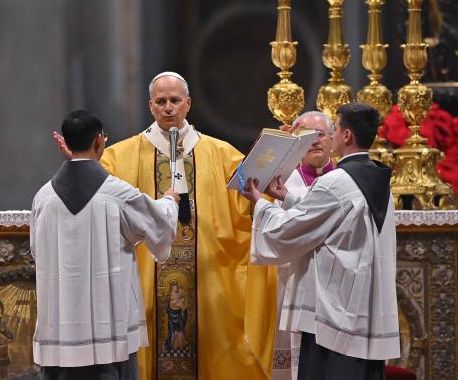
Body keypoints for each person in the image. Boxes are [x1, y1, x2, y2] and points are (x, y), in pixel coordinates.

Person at [54, 72, 277, 380]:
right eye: (161, 101)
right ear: (150, 106)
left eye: (175, 101)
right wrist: (82, 162)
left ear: (188, 103)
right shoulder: (120, 156)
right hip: (147, 273)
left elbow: (249, 203)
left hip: (207, 279)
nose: (168, 108)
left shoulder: (221, 153)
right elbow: (95, 198)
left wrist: (271, 162)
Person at [242, 103, 399, 380]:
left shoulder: (335, 182)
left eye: (334, 130)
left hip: (333, 317)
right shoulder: (377, 178)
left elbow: (288, 232)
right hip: (363, 309)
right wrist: (287, 197)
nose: (331, 136)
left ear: (346, 135)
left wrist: (260, 203)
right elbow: (332, 220)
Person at [32, 110, 180, 380]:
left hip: (61, 326)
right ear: (99, 142)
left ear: (66, 142)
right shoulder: (116, 194)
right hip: (108, 330)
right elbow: (159, 224)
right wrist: (170, 200)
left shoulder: (43, 198)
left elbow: (36, 252)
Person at [272, 111, 335, 380]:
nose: (314, 141)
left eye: (320, 134)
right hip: (294, 280)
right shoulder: (283, 182)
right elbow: (277, 232)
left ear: (333, 140)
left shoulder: (345, 180)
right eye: (305, 136)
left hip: (334, 285)